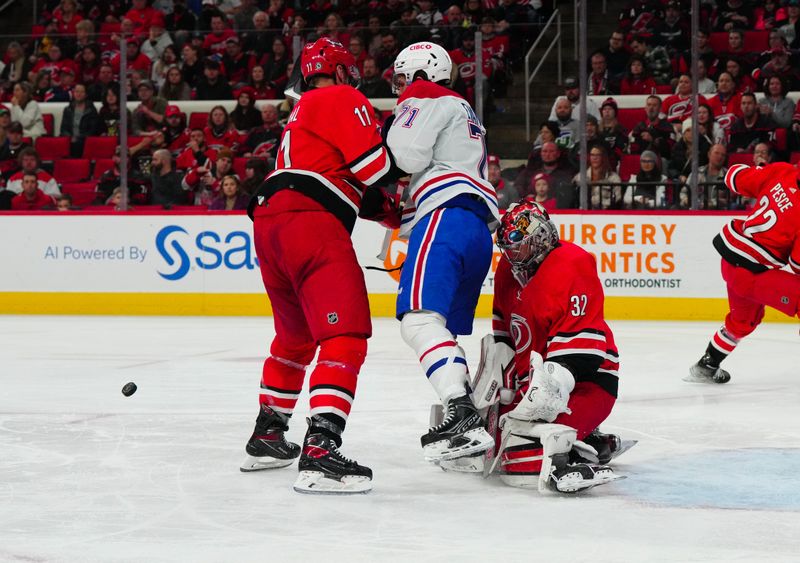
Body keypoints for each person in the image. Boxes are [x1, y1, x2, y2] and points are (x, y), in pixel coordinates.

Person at [241, 38, 396, 494]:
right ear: (343, 71)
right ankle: (321, 449)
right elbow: (377, 168)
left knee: (296, 336)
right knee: (344, 335)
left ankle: (268, 433)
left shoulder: (305, 109)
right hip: (311, 224)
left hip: (270, 221)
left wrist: (391, 211)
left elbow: (348, 183)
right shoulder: (342, 97)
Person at [385, 41, 500, 463]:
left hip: (444, 219)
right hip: (474, 227)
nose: (400, 87)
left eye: (402, 77)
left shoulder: (425, 94)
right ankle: (472, 418)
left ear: (418, 73)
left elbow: (404, 155)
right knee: (442, 330)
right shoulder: (461, 108)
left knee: (418, 321)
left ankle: (462, 410)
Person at [463, 199, 623, 492]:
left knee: (522, 461)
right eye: (507, 247)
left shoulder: (572, 263)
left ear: (540, 237)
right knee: (489, 444)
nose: (511, 254)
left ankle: (581, 448)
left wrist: (549, 388)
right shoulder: (507, 273)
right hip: (532, 385)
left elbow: (581, 356)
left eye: (518, 245)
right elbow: (505, 340)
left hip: (586, 382)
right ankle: (589, 438)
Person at [687, 162, 800, 384]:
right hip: (753, 272)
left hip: (730, 262)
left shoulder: (782, 171)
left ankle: (706, 365)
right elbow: (797, 265)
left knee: (743, 321)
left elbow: (734, 176)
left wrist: (758, 169)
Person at [59, 83, 102, 158]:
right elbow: (63, 129)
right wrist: (70, 138)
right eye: (77, 91)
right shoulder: (68, 109)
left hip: (84, 141)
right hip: (70, 140)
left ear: (86, 94)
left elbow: (93, 130)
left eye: (82, 92)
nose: (79, 94)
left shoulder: (91, 110)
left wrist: (78, 138)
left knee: (78, 146)